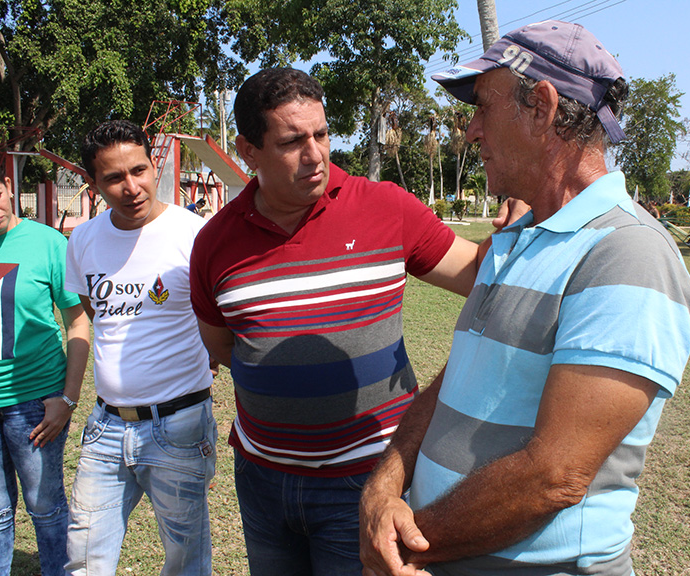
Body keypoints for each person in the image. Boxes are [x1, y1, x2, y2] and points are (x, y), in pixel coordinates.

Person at [360, 20, 690, 576]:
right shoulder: (516, 240)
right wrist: (384, 485)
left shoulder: (629, 255)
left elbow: (555, 475)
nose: (471, 131)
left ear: (541, 107)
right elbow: (454, 384)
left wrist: (407, 543)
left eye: (483, 108)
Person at [188, 67, 486, 575]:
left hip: (368, 480)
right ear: (248, 150)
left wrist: (530, 225)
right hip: (262, 479)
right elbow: (222, 346)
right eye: (292, 141)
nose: (315, 154)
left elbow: (478, 274)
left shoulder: (384, 207)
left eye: (321, 134)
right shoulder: (215, 242)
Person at [64, 120, 217, 576]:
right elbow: (96, 314)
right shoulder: (85, 240)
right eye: (113, 177)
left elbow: (218, 318)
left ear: (154, 165)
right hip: (104, 427)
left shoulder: (195, 235)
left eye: (139, 170)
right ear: (93, 183)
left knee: (185, 559)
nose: (131, 187)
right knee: (84, 558)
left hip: (179, 426)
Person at [0, 149, 90, 576]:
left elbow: (77, 322)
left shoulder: (48, 243)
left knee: (45, 507)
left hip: (35, 404)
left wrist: (66, 399)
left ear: (10, 186)